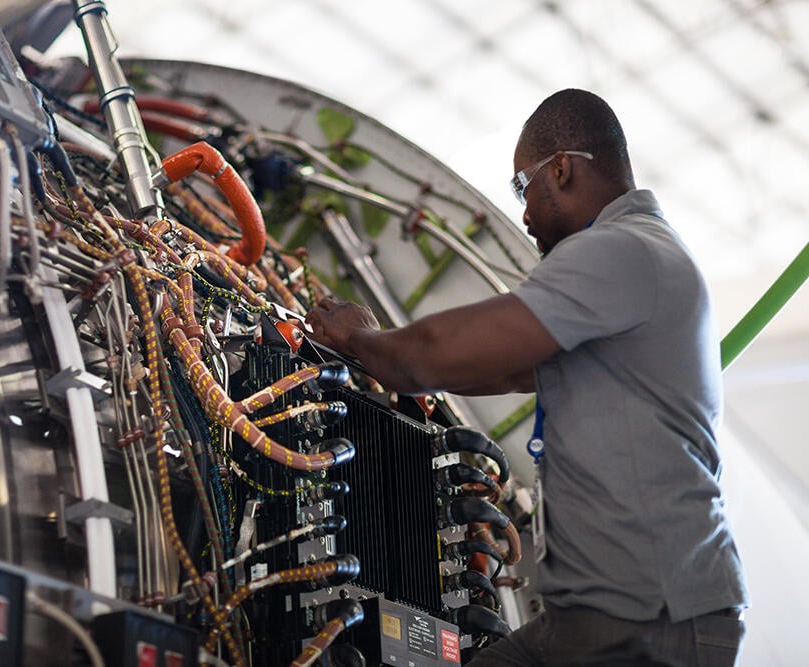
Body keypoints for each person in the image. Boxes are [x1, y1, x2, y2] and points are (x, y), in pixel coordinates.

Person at [304, 89, 748, 666]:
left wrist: (363, 339)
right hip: (594, 621)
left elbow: (447, 347)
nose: (523, 211)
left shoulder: (617, 250)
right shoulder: (641, 256)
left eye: (523, 186)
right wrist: (388, 363)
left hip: (650, 623)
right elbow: (505, 367)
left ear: (560, 169)